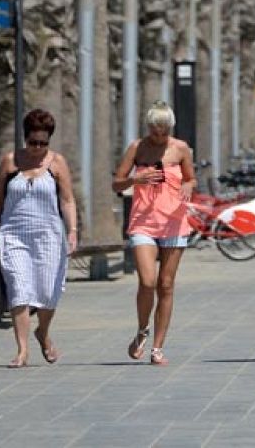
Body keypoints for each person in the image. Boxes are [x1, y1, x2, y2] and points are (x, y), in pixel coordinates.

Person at [0, 108, 77, 368]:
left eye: (43, 143)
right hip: (14, 235)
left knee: (47, 292)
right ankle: (22, 350)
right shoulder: (10, 162)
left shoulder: (57, 163)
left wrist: (72, 232)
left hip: (49, 235)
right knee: (19, 289)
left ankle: (42, 332)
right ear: (25, 139)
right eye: (33, 142)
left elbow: (67, 200)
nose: (37, 148)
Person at [112, 101, 198, 366]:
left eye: (163, 131)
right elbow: (117, 181)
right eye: (154, 131)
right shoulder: (137, 148)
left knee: (166, 284)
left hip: (173, 219)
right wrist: (134, 180)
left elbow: (190, 178)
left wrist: (188, 187)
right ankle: (142, 329)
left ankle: (158, 347)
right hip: (144, 221)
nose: (159, 136)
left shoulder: (180, 148)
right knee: (148, 281)